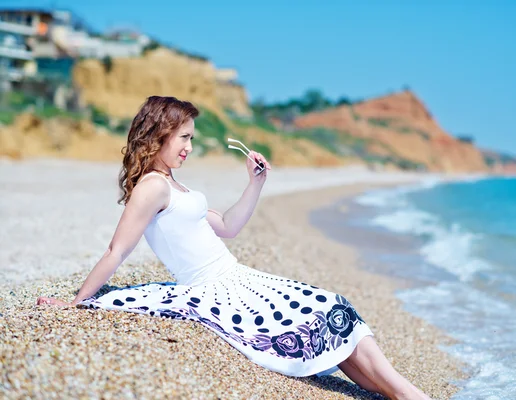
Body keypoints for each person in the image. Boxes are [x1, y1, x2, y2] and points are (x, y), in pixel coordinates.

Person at [36, 96, 431, 400]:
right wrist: (76, 301)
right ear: (159, 133)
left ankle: (399, 392)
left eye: (191, 137)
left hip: (238, 276)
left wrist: (255, 183)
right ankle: (409, 393)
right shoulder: (153, 187)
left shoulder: (172, 184)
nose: (189, 145)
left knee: (334, 313)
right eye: (184, 136)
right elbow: (116, 251)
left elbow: (227, 226)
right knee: (327, 310)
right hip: (215, 289)